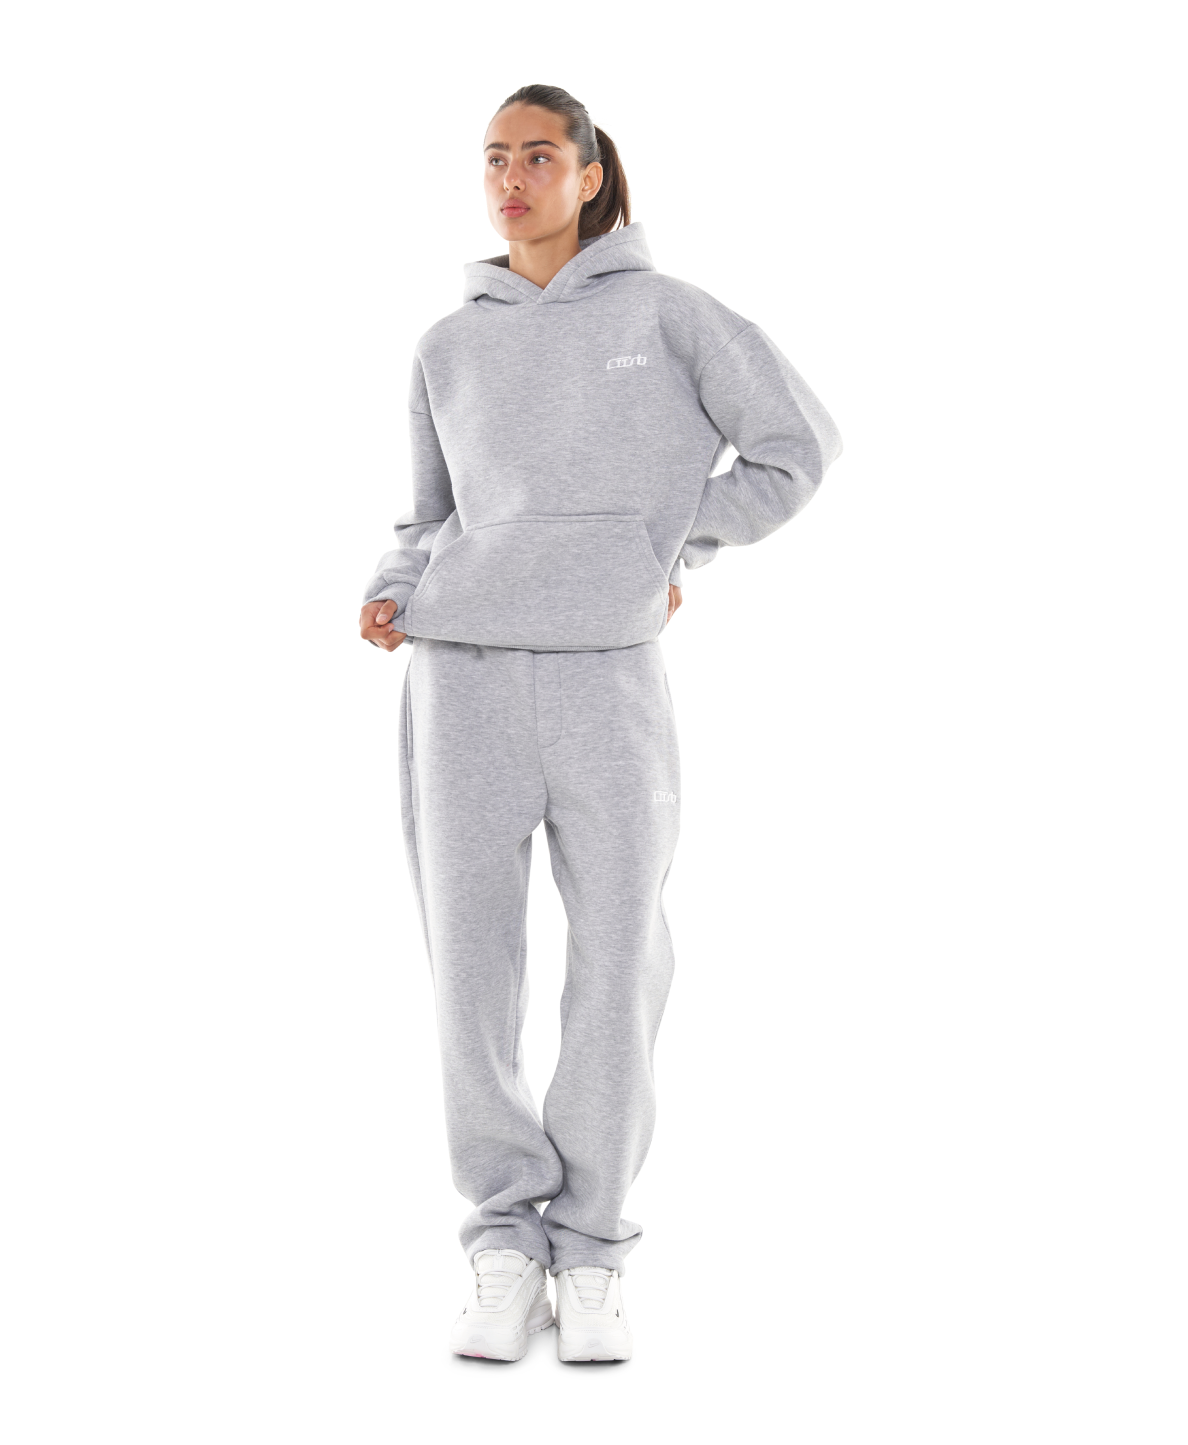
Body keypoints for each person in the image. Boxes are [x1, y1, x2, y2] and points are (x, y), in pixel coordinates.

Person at [359, 83, 841, 1363]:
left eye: (536, 156)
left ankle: (590, 1249)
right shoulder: (445, 344)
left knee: (619, 957)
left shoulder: (670, 316)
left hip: (606, 679)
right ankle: (503, 1242)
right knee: (471, 969)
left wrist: (670, 545)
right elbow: (427, 515)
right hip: (458, 676)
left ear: (588, 175)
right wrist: (394, 586)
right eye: (492, 158)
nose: (509, 179)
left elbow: (794, 448)